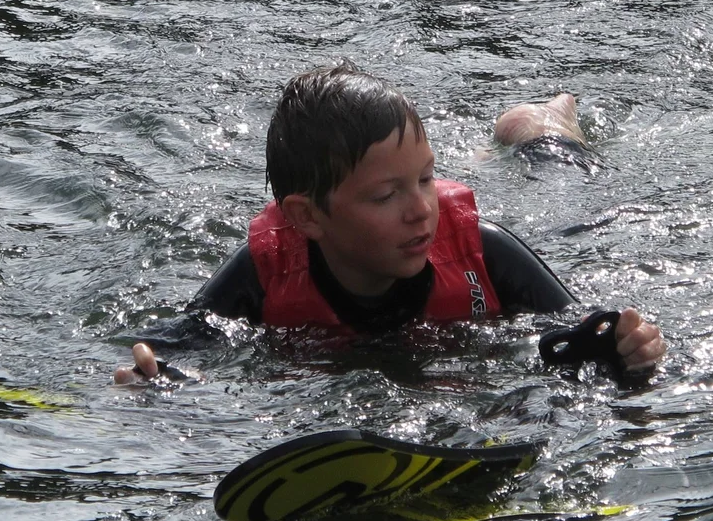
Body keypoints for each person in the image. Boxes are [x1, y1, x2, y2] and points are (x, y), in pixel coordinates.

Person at [115, 63, 666, 382]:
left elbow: (583, 331)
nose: (421, 208)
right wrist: (147, 380)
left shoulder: (486, 253)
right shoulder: (264, 275)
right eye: (385, 195)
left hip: (551, 215)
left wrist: (628, 348)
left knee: (568, 195)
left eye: (426, 179)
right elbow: (166, 352)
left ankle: (541, 127)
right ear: (308, 216)